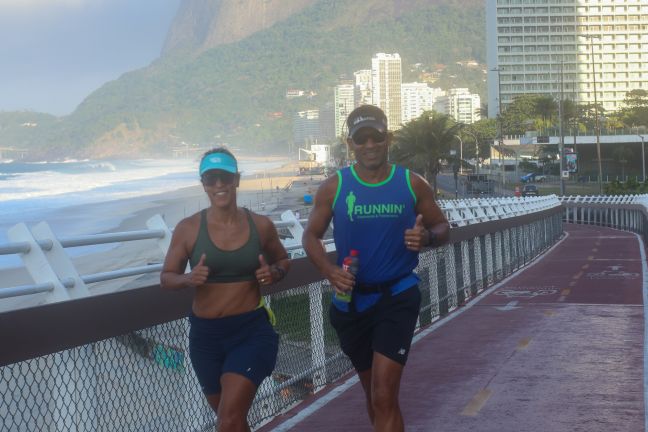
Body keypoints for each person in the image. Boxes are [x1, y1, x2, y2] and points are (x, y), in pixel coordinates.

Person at [302, 105, 450, 432]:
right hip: (352, 302)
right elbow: (310, 236)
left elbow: (443, 227)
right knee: (374, 396)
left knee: (383, 394)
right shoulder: (334, 187)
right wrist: (329, 272)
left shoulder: (412, 183)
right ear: (350, 143)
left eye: (376, 137)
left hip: (397, 296)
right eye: (361, 138)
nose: (369, 145)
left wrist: (426, 236)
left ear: (388, 139)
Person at [160, 147, 290, 432]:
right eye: (211, 179)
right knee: (230, 420)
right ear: (204, 184)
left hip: (250, 332)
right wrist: (188, 279)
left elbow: (282, 259)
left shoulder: (261, 225)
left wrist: (274, 273)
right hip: (205, 337)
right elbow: (167, 277)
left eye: (225, 177)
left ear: (237, 180)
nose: (219, 185)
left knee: (229, 419)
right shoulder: (188, 228)